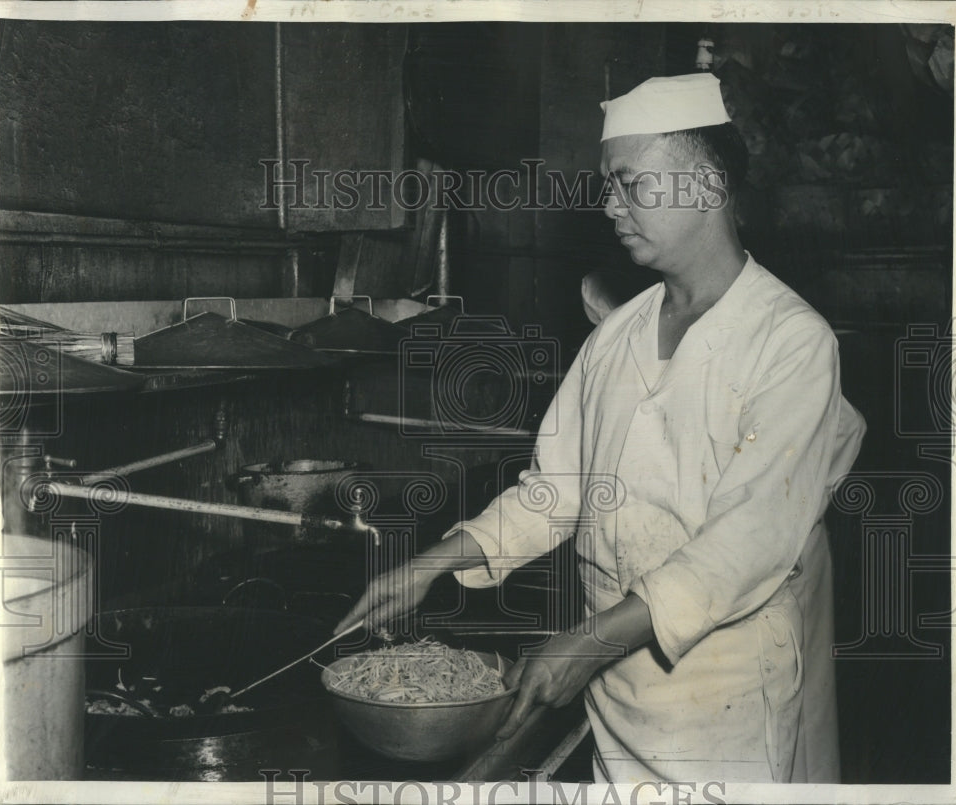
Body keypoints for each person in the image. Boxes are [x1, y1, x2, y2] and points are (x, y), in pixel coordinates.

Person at [335, 73, 866, 784]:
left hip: (725, 700)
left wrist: (584, 641)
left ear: (706, 187)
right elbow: (554, 492)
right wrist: (430, 565)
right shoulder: (617, 335)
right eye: (607, 185)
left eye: (629, 184)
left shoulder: (791, 342)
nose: (610, 206)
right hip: (618, 689)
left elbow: (747, 543)